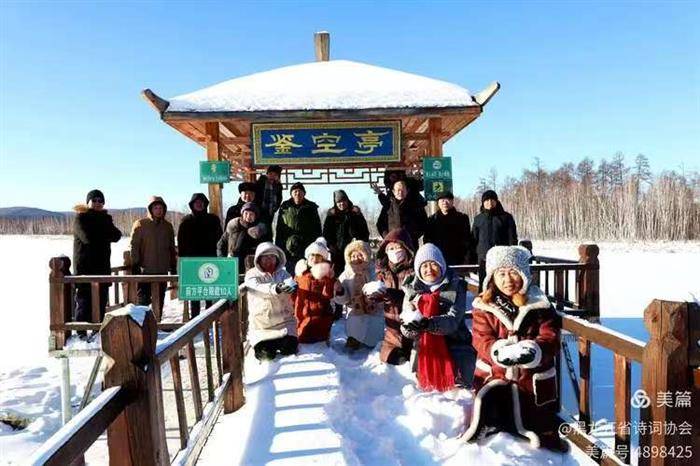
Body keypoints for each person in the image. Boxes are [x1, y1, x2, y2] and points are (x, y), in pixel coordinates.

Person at [461, 246, 566, 452]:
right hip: (496, 374)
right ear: (492, 277)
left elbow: (550, 336)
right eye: (501, 274)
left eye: (513, 273)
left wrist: (534, 350)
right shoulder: (484, 306)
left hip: (530, 380)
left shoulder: (539, 305)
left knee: (538, 426)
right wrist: (498, 351)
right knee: (491, 410)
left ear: (524, 275)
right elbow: (481, 338)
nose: (508, 280)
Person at [400, 243, 476, 391]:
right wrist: (411, 327)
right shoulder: (411, 290)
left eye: (433, 264)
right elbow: (405, 322)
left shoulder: (456, 286)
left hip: (455, 342)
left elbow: (453, 319)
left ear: (442, 266)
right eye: (424, 266)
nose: (429, 269)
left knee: (461, 389)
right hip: (424, 347)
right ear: (418, 269)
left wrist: (430, 324)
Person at [72, 189, 122, 335]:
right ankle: (80, 334)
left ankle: (98, 333)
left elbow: (117, 236)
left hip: (102, 267)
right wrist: (105, 233)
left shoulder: (106, 218)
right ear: (88, 202)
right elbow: (88, 238)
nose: (97, 203)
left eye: (100, 201)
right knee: (84, 303)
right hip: (85, 269)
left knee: (101, 303)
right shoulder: (81, 218)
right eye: (94, 200)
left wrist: (103, 232)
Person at [244, 242, 298, 361]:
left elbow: (290, 283)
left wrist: (292, 286)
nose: (269, 260)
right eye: (265, 257)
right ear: (259, 259)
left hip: (284, 324)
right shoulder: (252, 274)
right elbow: (257, 287)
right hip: (262, 326)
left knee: (290, 349)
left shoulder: (283, 273)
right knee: (266, 355)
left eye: (272, 257)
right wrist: (275, 288)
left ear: (277, 259)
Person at [369, 228, 416, 365]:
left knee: (415, 354)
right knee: (390, 356)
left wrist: (389, 294)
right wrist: (373, 294)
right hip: (392, 328)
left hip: (412, 325)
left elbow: (413, 296)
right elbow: (379, 296)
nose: (395, 252)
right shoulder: (383, 272)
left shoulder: (414, 271)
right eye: (391, 248)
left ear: (406, 249)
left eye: (398, 247)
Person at [177, 193, 223, 317]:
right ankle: (195, 320)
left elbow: (220, 239)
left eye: (201, 202)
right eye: (196, 202)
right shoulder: (186, 221)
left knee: (209, 293)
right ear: (192, 205)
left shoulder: (213, 219)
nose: (199, 204)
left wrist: (220, 257)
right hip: (192, 262)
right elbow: (181, 243)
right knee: (195, 295)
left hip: (210, 260)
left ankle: (210, 319)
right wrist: (182, 261)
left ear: (205, 204)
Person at [334, 240, 383, 350]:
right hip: (355, 312)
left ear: (367, 255)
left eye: (360, 254)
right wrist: (340, 290)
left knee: (374, 332)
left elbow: (382, 288)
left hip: (374, 310)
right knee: (355, 325)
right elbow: (343, 300)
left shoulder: (375, 270)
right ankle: (353, 339)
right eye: (353, 256)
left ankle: (375, 342)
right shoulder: (346, 274)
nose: (356, 258)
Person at [130, 196, 176, 311]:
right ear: (150, 209)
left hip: (162, 271)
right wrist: (135, 264)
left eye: (161, 208)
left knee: (159, 300)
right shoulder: (141, 224)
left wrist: (173, 265)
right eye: (156, 208)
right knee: (143, 302)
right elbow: (134, 245)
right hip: (145, 271)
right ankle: (143, 322)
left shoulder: (167, 226)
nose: (158, 210)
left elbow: (171, 247)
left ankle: (158, 321)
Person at [293, 237, 341, 343]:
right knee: (302, 339)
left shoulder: (326, 274)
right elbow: (293, 293)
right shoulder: (300, 273)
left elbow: (329, 295)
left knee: (319, 340)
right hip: (301, 313)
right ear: (307, 257)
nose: (315, 259)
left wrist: (330, 279)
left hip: (320, 315)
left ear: (323, 258)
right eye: (312, 255)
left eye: (318, 256)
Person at [472, 190, 518, 290]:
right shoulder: (478, 218)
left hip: (502, 257)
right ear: (483, 202)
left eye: (492, 200)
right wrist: (473, 258)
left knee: (501, 283)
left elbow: (512, 238)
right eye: (486, 200)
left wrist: (511, 255)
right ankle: (483, 299)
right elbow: (474, 239)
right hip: (483, 258)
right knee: (484, 283)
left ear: (496, 201)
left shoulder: (506, 217)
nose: (489, 202)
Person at [275, 182, 322, 273]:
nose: (297, 193)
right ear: (291, 193)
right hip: (289, 247)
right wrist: (279, 246)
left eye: (300, 191)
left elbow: (317, 228)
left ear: (304, 193)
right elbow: (280, 228)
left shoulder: (311, 207)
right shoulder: (285, 207)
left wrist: (318, 244)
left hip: (307, 247)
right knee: (291, 274)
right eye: (295, 191)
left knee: (306, 274)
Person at [322, 189, 370, 276]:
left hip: (354, 251)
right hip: (337, 251)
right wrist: (331, 245)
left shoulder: (355, 213)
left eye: (343, 201)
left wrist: (361, 244)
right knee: (338, 274)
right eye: (339, 202)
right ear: (335, 203)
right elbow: (326, 233)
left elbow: (364, 231)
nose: (341, 204)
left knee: (355, 274)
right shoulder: (331, 216)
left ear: (347, 200)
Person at [424, 191, 473, 266]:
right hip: (438, 260)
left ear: (452, 201)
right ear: (438, 202)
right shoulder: (432, 220)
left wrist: (467, 260)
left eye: (448, 199)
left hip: (458, 260)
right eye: (442, 200)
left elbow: (467, 241)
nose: (445, 202)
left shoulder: (462, 218)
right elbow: (428, 242)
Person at [376, 179, 427, 249]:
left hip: (411, 244)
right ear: (393, 192)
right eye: (398, 190)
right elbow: (380, 224)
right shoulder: (388, 206)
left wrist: (413, 235)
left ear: (407, 191)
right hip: (393, 244)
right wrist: (388, 237)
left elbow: (424, 222)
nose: (400, 192)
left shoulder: (415, 205)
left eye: (403, 190)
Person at [217, 202, 270, 270]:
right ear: (242, 214)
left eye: (251, 214)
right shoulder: (233, 227)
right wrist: (222, 260)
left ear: (255, 216)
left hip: (252, 268)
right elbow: (220, 245)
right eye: (246, 213)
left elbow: (266, 251)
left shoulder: (260, 231)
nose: (248, 216)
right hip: (232, 266)